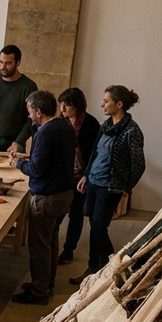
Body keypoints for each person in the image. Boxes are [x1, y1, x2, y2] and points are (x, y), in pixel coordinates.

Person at [70, 86, 145, 284]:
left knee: (99, 228)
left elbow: (138, 164)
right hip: (94, 182)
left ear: (119, 104)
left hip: (110, 187)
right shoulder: (106, 125)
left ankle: (113, 269)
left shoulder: (131, 131)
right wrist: (86, 176)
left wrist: (126, 188)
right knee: (94, 227)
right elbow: (95, 153)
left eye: (106, 101)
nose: (102, 104)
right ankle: (94, 269)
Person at [9, 90, 78, 305]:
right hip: (64, 194)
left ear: (38, 111)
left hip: (46, 198)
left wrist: (18, 163)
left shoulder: (45, 132)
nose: (29, 115)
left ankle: (39, 292)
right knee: (51, 242)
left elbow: (36, 169)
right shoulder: (65, 125)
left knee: (39, 247)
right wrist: (28, 158)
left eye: (30, 111)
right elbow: (51, 159)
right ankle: (47, 283)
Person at [56, 88, 101, 266]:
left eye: (67, 104)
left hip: (81, 176)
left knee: (76, 215)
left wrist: (86, 175)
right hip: (63, 176)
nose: (63, 108)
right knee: (58, 214)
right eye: (61, 103)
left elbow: (95, 153)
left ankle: (69, 250)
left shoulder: (91, 124)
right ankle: (52, 247)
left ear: (77, 105)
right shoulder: (61, 122)